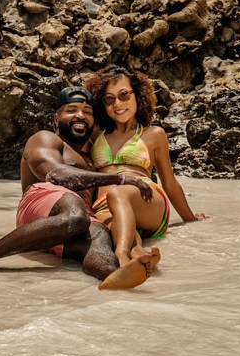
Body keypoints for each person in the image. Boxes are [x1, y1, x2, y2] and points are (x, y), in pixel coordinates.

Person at [0, 86, 158, 289]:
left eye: (87, 112)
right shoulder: (46, 138)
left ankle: (113, 277)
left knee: (100, 238)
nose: (80, 116)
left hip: (71, 223)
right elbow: (57, 175)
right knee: (77, 215)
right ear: (56, 119)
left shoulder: (90, 158)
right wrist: (119, 179)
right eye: (71, 110)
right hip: (44, 202)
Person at [84, 64, 208, 287]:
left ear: (138, 95)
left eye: (124, 95)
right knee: (112, 226)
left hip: (147, 199)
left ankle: (121, 258)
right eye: (109, 99)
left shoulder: (154, 134)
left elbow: (170, 183)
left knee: (117, 193)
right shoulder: (95, 135)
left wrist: (190, 218)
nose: (117, 104)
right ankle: (140, 255)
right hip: (106, 205)